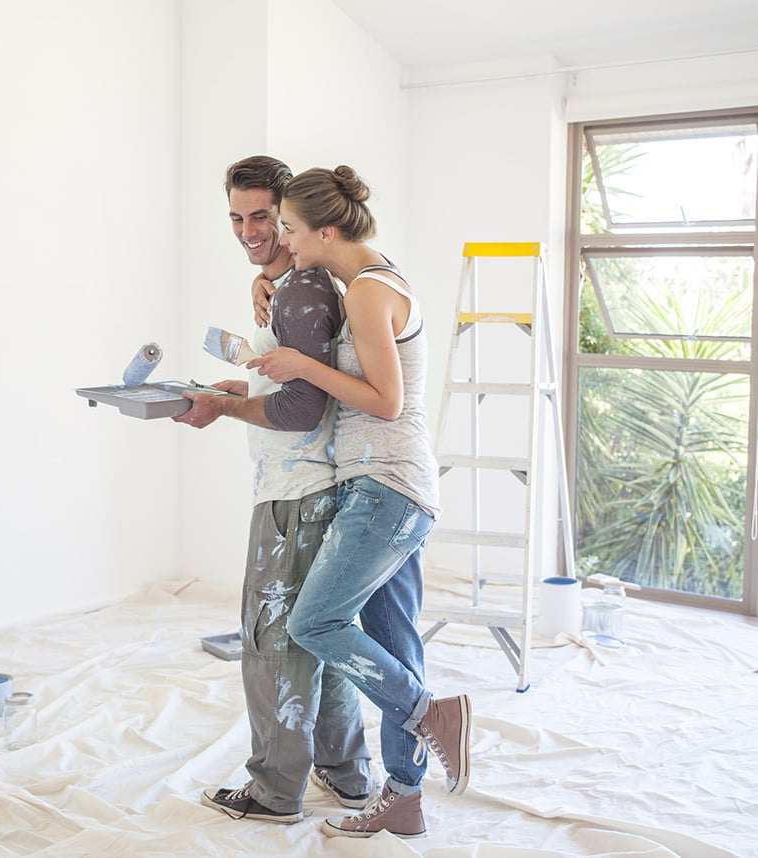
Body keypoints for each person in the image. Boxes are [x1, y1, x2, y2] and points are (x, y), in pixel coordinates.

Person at [248, 165, 472, 839]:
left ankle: (431, 711)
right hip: (387, 488)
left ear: (327, 230)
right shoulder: (373, 279)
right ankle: (405, 796)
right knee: (396, 640)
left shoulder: (369, 293)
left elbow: (386, 400)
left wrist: (303, 366)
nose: (282, 240)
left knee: (313, 624)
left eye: (288, 228)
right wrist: (261, 281)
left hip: (387, 489)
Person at [173, 155, 372, 824]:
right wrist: (226, 390)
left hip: (294, 496)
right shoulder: (295, 284)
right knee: (321, 639)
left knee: (272, 646)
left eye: (263, 216)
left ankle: (274, 791)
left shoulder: (299, 290)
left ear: (291, 215)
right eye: (237, 217)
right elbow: (287, 385)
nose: (249, 230)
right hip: (314, 491)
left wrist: (226, 408)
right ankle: (346, 777)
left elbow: (301, 410)